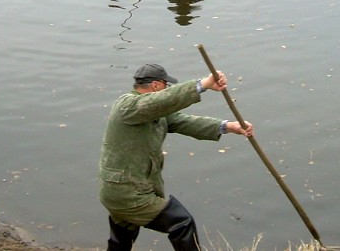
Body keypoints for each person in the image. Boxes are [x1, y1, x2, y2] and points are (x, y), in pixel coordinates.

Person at [98, 63, 254, 251]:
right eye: (166, 85)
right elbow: (162, 101)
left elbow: (184, 122)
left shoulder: (155, 113)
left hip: (123, 192)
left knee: (121, 239)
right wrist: (202, 84)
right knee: (181, 223)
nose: (168, 90)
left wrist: (229, 126)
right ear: (156, 86)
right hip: (127, 194)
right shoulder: (127, 106)